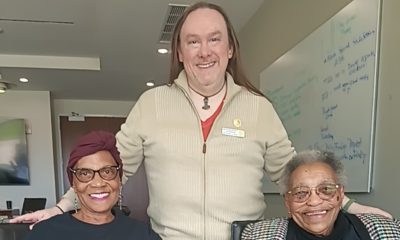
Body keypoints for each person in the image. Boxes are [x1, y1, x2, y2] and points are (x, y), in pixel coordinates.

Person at [11, 2, 392, 240]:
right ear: (180, 51)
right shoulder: (152, 104)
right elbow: (114, 168)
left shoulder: (258, 109)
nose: (204, 51)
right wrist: (61, 208)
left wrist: (346, 206)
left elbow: (291, 174)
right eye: (193, 41)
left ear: (229, 49)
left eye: (214, 40)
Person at [25, 131, 160, 240]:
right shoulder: (46, 233)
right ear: (74, 184)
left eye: (107, 171)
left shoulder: (143, 234)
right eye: (85, 173)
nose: (98, 183)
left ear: (119, 180)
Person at [241, 150, 400, 239]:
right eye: (301, 193)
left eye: (325, 189)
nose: (314, 201)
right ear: (287, 202)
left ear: (340, 195)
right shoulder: (258, 235)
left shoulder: (385, 231)